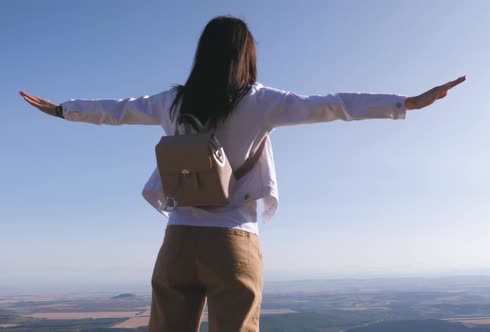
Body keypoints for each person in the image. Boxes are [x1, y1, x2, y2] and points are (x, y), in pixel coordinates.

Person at [19, 15, 465, 332]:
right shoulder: (259, 101)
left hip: (177, 242)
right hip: (234, 243)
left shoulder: (172, 101)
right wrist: (406, 103)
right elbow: (334, 104)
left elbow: (115, 111)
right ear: (246, 55)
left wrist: (63, 110)